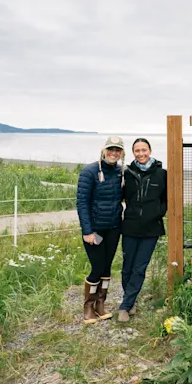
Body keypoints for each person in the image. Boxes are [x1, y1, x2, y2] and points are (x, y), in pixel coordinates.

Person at [76, 136, 125, 324]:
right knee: (97, 266)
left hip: (113, 228)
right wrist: (87, 231)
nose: (114, 153)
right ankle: (88, 305)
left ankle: (100, 303)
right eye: (111, 149)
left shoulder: (121, 172)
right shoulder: (89, 171)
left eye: (118, 150)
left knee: (106, 267)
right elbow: (82, 202)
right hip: (95, 230)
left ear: (122, 153)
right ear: (104, 150)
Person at [117, 138, 167, 322]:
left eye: (144, 150)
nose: (141, 153)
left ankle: (125, 306)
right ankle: (131, 301)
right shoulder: (127, 173)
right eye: (137, 150)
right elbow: (120, 196)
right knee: (127, 267)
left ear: (150, 151)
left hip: (151, 229)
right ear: (133, 153)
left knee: (139, 268)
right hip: (130, 226)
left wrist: (156, 214)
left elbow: (166, 200)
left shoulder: (162, 174)